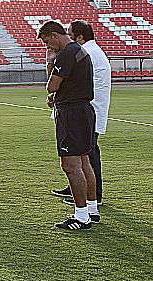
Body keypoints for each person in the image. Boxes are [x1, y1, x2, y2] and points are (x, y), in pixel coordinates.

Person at [37, 20, 99, 230]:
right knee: (84, 161)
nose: (48, 48)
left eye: (47, 43)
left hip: (71, 114)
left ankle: (81, 216)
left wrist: (49, 63)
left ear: (55, 35)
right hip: (84, 109)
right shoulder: (79, 50)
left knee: (70, 165)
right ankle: (91, 209)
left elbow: (51, 85)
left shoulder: (65, 54)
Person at [51, 20, 111, 205]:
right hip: (86, 109)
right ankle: (78, 191)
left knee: (87, 156)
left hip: (82, 111)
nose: (67, 38)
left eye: (69, 34)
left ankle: (92, 197)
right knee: (82, 155)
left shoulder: (84, 52)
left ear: (80, 37)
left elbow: (71, 81)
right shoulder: (90, 51)